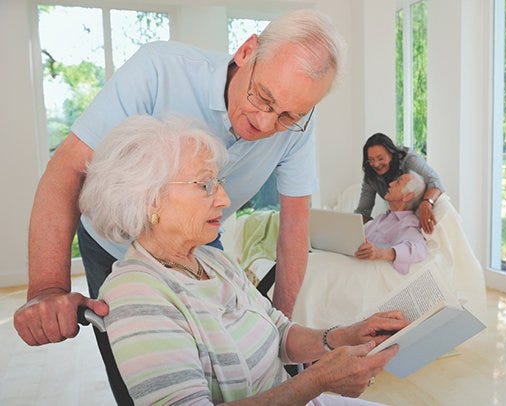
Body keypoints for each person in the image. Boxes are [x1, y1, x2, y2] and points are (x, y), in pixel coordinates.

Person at [14, 10, 345, 400]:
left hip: (200, 239)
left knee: (234, 356)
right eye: (262, 97)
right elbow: (69, 168)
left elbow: (294, 227)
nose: (266, 123)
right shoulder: (159, 69)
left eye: (288, 116)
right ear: (246, 52)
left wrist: (276, 340)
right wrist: (48, 289)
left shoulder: (297, 123)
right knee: (144, 376)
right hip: (111, 244)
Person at [79, 115, 409, 405]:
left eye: (219, 182)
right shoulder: (134, 295)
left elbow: (280, 333)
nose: (224, 199)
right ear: (151, 200)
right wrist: (318, 379)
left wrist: (346, 335)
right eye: (206, 184)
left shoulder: (214, 261)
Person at [354, 133, 445, 234]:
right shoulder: (370, 172)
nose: (376, 164)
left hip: (423, 216)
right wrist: (352, 228)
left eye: (380, 159)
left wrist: (426, 203)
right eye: (371, 160)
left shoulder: (410, 160)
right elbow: (363, 211)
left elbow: (435, 181)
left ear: (391, 154)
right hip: (398, 219)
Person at [355, 171, 428, 275]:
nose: (390, 184)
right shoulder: (380, 218)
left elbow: (420, 249)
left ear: (407, 196)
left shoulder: (409, 223)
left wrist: (380, 253)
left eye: (398, 182)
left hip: (368, 272)